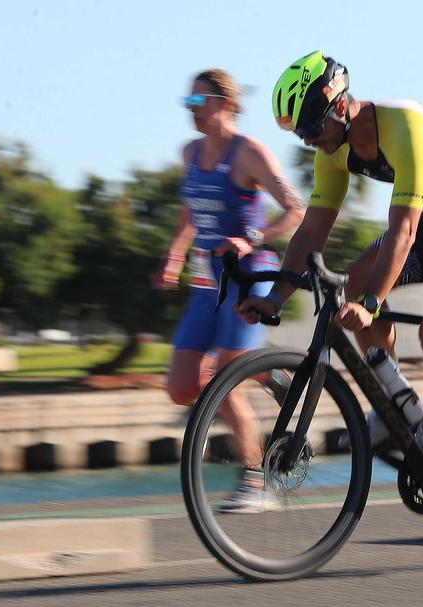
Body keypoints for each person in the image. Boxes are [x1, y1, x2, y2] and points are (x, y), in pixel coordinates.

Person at [237, 51, 423, 513]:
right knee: (353, 283)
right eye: (300, 135)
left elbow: (404, 232)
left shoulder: (405, 127)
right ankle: (399, 406)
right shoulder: (334, 154)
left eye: (312, 128)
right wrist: (275, 296)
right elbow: (311, 232)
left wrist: (373, 302)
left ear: (338, 105)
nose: (309, 140)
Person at [156, 68, 306, 511]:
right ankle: (269, 371)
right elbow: (192, 208)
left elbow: (296, 210)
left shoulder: (249, 153)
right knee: (181, 387)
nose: (191, 113)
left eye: (197, 103)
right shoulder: (190, 152)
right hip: (207, 285)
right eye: (187, 104)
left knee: (225, 374)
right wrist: (175, 254)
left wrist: (253, 237)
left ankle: (257, 481)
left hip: (247, 278)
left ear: (223, 104)